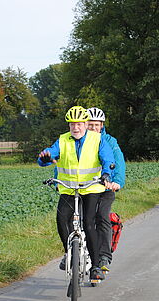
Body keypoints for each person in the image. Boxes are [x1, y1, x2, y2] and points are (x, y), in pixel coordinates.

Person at [38, 106, 115, 281]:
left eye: (79, 124)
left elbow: (108, 159)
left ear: (86, 124)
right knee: (61, 220)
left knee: (89, 224)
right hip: (68, 188)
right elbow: (50, 153)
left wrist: (106, 174)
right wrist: (45, 158)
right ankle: (70, 253)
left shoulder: (97, 139)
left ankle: (96, 266)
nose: (76, 127)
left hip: (91, 188)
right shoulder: (63, 140)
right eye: (72, 124)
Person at [86, 107, 126, 273]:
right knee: (76, 217)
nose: (94, 128)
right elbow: (67, 162)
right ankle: (71, 252)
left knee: (102, 215)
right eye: (90, 124)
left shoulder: (110, 141)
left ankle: (104, 256)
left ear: (102, 125)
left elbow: (119, 162)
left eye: (97, 125)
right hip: (85, 188)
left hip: (105, 187)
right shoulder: (78, 140)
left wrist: (117, 181)